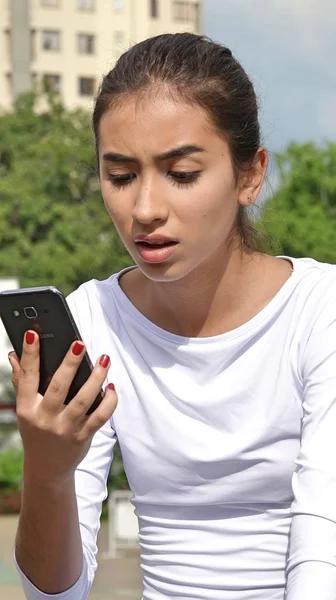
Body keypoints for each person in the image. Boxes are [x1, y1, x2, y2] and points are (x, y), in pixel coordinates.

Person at [8, 33, 336, 600]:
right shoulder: (93, 320)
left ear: (250, 175)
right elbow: (54, 593)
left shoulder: (319, 313)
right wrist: (47, 469)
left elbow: (320, 553)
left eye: (181, 174)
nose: (145, 210)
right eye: (120, 176)